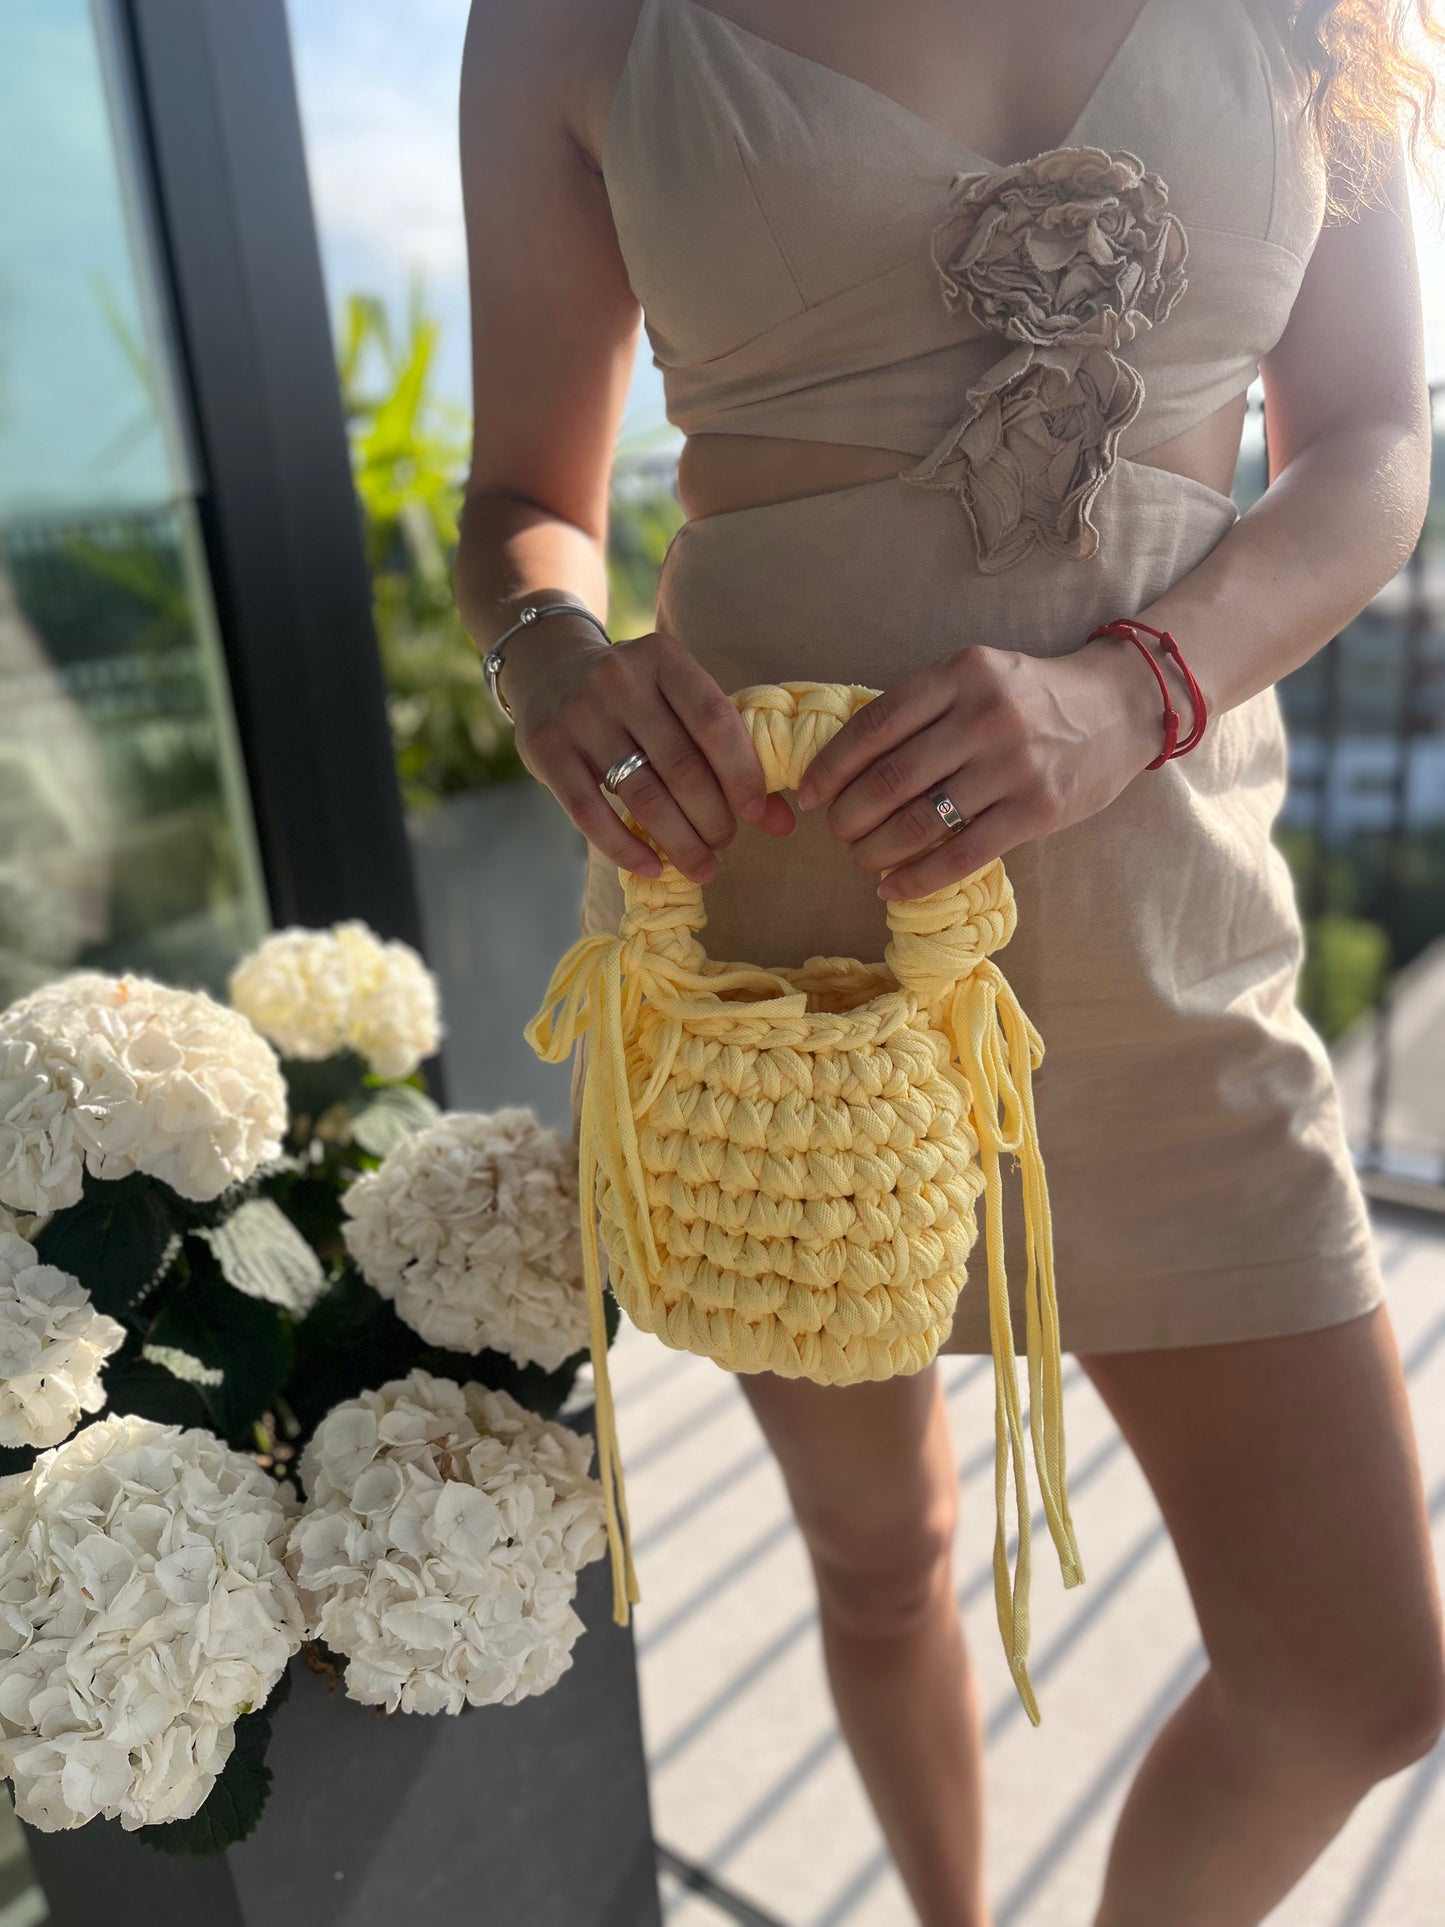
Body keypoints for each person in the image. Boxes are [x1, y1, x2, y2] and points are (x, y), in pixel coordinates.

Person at [453, 3, 1445, 1920]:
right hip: (767, 944)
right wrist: (547, 659)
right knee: (881, 1559)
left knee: (1356, 1680)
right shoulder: (577, 20)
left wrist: (1131, 689)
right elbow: (528, 510)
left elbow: (1378, 444)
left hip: (1172, 937)